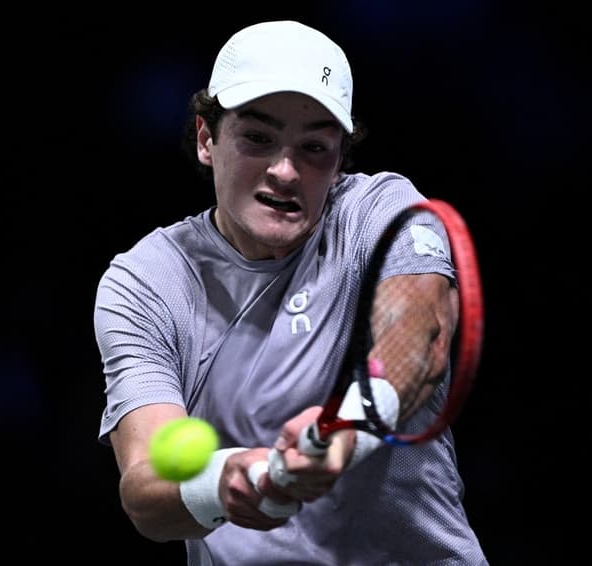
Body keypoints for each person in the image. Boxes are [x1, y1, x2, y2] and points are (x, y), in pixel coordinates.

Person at [93, 19, 488, 565]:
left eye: (314, 147)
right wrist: (226, 481)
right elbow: (145, 492)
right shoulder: (147, 280)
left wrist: (347, 428)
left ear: (340, 157)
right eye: (257, 138)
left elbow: (420, 340)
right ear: (208, 139)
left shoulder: (379, 212)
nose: (284, 170)